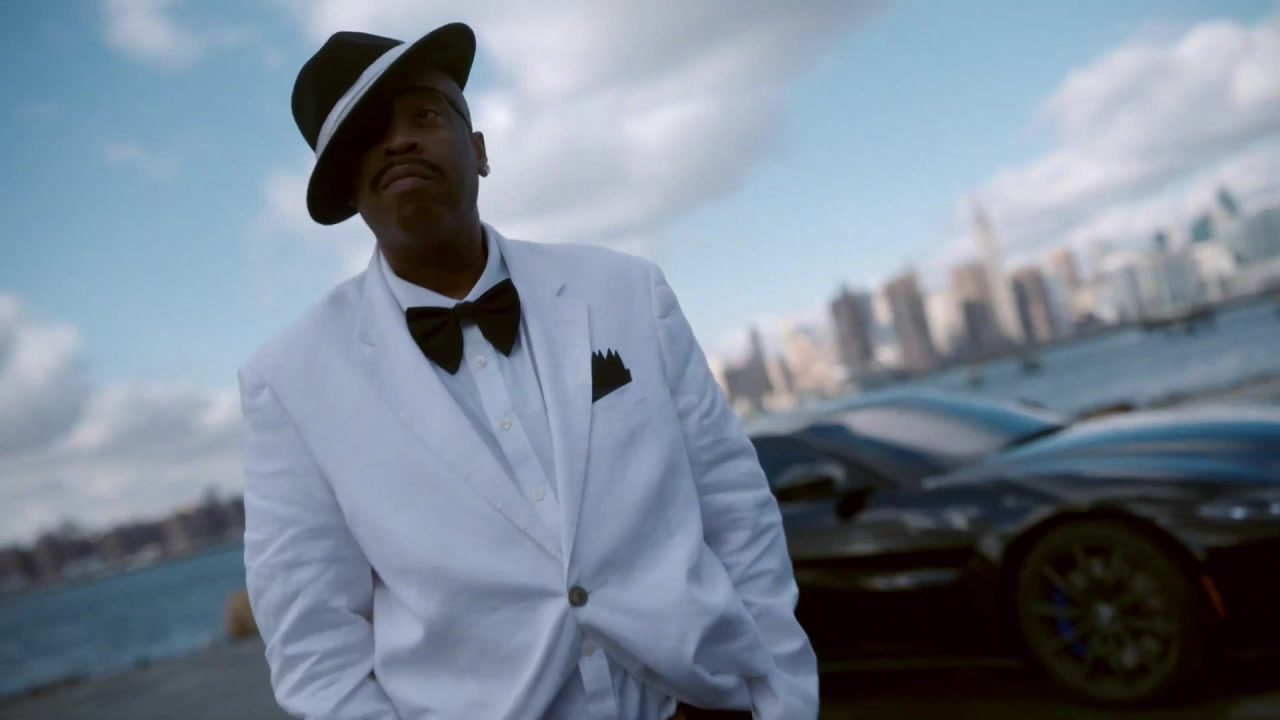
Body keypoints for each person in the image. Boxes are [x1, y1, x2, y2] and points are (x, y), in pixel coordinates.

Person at [238, 22, 818, 720]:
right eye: (367, 136)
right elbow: (315, 647)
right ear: (346, 188)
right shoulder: (291, 383)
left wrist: (783, 700)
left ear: (480, 150)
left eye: (425, 115)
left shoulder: (627, 291)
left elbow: (735, 507)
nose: (398, 142)